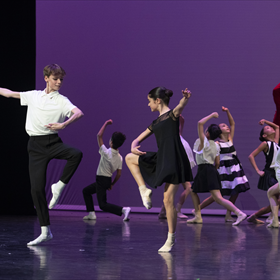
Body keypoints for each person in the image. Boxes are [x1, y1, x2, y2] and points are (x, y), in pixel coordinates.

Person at [0, 64, 84, 245]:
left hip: (52, 142)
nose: (59, 82)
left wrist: (64, 125)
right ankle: (45, 231)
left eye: (61, 79)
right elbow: (8, 93)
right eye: (55, 79)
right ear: (46, 78)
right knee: (36, 189)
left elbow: (78, 112)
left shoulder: (62, 100)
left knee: (76, 154)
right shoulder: (33, 95)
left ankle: (59, 186)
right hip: (35, 147)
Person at [125, 87, 193, 252]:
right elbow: (137, 139)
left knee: (167, 200)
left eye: (149, 101)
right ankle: (144, 190)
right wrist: (134, 146)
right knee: (129, 158)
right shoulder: (155, 122)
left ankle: (170, 238)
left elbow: (180, 107)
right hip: (162, 159)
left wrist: (185, 98)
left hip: (173, 161)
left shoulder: (172, 115)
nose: (148, 105)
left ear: (158, 100)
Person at [187, 112, 247, 226]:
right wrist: (213, 171)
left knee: (193, 191)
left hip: (204, 169)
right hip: (212, 170)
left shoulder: (203, 142)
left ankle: (198, 216)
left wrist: (211, 115)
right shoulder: (216, 145)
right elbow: (217, 163)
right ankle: (238, 213)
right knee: (218, 198)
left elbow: (200, 123)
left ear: (207, 133)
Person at [82, 119, 131, 221]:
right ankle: (91, 213)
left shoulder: (106, 152)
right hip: (106, 180)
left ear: (111, 142)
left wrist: (105, 123)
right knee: (86, 191)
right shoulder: (120, 157)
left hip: (102, 180)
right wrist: (112, 183)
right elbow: (119, 174)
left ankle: (123, 210)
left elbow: (99, 136)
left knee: (102, 205)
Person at [158, 115, 196, 219]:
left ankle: (163, 211)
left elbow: (181, 124)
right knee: (185, 187)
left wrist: (180, 119)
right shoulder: (170, 137)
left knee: (173, 188)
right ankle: (176, 210)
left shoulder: (177, 135)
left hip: (180, 162)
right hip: (177, 163)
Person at [247, 120, 280, 224]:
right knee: (276, 199)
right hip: (270, 174)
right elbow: (251, 156)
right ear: (264, 135)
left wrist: (265, 121)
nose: (270, 128)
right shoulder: (265, 144)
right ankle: (271, 217)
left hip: (277, 173)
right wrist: (258, 171)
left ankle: (259, 216)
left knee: (277, 200)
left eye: (269, 127)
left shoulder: (276, 142)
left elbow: (277, 127)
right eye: (267, 128)